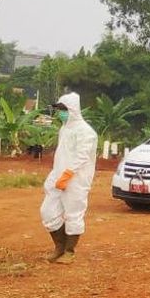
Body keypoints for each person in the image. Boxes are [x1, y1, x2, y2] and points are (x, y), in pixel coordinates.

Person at [40, 92, 97, 264]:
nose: (60, 113)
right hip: (58, 176)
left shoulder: (86, 132)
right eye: (58, 109)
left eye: (63, 109)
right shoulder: (64, 128)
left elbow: (82, 156)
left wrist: (68, 175)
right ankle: (59, 247)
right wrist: (56, 175)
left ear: (72, 110)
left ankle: (69, 251)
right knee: (48, 212)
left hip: (76, 179)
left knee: (74, 214)